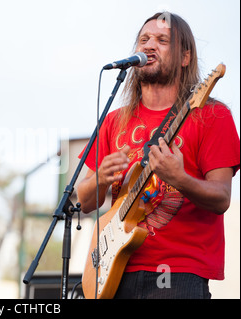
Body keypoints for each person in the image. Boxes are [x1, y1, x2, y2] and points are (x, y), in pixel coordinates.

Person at [77, 12, 240, 299]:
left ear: (185, 57)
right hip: (114, 270)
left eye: (162, 40)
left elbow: (222, 199)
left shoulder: (212, 115)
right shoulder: (114, 120)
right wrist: (100, 178)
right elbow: (86, 201)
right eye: (144, 39)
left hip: (180, 273)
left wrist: (180, 179)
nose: (149, 45)